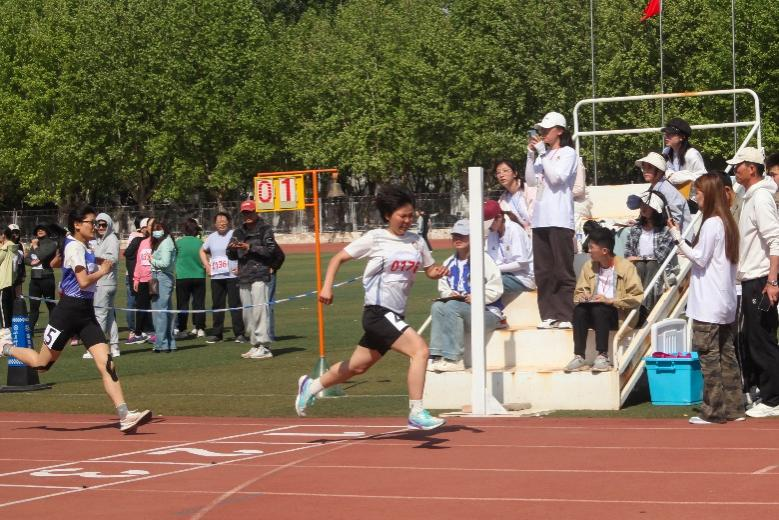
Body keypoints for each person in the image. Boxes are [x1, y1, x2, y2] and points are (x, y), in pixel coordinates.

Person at [295, 185, 448, 430]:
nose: (407, 221)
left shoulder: (417, 241)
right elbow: (338, 258)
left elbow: (429, 270)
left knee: (358, 366)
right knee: (420, 350)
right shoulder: (376, 238)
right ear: (388, 215)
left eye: (411, 216)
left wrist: (437, 272)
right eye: (402, 216)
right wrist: (327, 287)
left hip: (395, 315)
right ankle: (417, 412)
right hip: (377, 312)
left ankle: (311, 386)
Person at [0, 206, 151, 433]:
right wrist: (103, 269)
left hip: (86, 314)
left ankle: (125, 415)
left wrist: (95, 259)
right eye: (91, 222)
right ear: (77, 225)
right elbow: (83, 282)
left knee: (107, 363)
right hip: (68, 312)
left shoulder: (81, 246)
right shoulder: (74, 247)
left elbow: (55, 264)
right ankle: (6, 348)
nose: (95, 226)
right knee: (42, 364)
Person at [668, 173, 744, 424]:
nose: (695, 196)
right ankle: (734, 408)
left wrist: (677, 236)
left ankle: (713, 411)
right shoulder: (727, 221)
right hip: (725, 301)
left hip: (709, 303)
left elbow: (699, 258)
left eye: (698, 192)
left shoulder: (712, 223)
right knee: (727, 355)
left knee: (709, 356)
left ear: (709, 194)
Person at [729, 147, 779, 418]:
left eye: (739, 165)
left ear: (752, 168)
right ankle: (767, 393)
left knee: (761, 338)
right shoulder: (750, 196)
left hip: (761, 281)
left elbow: (775, 239)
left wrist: (772, 281)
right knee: (755, 336)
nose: (735, 170)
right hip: (754, 280)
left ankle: (773, 399)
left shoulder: (760, 198)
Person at [428, 219, 504, 372]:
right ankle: (435, 355)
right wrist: (450, 294)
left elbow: (496, 288)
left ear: (472, 237)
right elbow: (443, 288)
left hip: (489, 313)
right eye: (455, 236)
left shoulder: (484, 259)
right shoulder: (448, 262)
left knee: (452, 306)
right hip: (463, 311)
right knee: (437, 306)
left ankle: (454, 359)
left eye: (463, 236)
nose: (458, 239)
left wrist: (478, 298)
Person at [564, 227, 643, 373]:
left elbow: (637, 297)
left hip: (619, 314)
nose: (588, 251)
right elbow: (579, 292)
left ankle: (603, 355)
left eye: (591, 247)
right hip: (594, 312)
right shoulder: (588, 266)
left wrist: (611, 300)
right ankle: (579, 356)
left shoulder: (626, 267)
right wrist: (583, 296)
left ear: (604, 251)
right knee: (580, 310)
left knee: (600, 308)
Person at [525, 111, 577, 329]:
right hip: (540, 219)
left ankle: (566, 315)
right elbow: (530, 181)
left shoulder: (568, 153)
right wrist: (530, 156)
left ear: (560, 131)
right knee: (543, 270)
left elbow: (556, 179)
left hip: (560, 218)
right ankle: (548, 314)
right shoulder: (541, 155)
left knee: (562, 269)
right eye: (541, 130)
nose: (543, 133)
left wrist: (542, 153)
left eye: (547, 129)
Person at [227, 200, 278, 359]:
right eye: (245, 213)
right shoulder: (238, 231)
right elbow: (230, 255)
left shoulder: (265, 229)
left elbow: (271, 251)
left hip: (260, 274)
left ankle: (265, 346)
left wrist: (250, 247)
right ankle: (255, 344)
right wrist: (232, 249)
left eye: (250, 212)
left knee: (260, 311)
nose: (247, 215)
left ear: (256, 212)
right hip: (244, 275)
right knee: (247, 313)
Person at [623, 191, 676, 320]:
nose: (643, 207)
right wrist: (638, 259)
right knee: (641, 265)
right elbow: (628, 253)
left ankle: (643, 309)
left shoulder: (665, 230)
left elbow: (660, 256)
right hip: (639, 267)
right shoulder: (636, 228)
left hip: (660, 268)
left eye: (647, 205)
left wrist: (639, 258)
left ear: (656, 208)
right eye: (641, 205)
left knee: (651, 264)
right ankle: (638, 307)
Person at [200, 212, 247, 344]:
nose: (221, 223)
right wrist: (207, 266)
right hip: (216, 277)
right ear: (215, 224)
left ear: (229, 222)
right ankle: (217, 334)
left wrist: (241, 267)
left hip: (232, 276)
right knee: (217, 305)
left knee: (235, 304)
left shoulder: (235, 235)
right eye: (219, 221)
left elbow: (243, 251)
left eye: (224, 221)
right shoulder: (211, 237)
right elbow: (202, 251)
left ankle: (239, 334)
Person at [85, 213, 121, 359]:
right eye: (98, 224)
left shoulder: (111, 239)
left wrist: (93, 258)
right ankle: (115, 347)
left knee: (99, 315)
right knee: (110, 316)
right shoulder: (101, 240)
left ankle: (97, 349)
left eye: (103, 225)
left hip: (105, 282)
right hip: (104, 282)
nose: (100, 227)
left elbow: (112, 259)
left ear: (109, 225)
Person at [483, 199, 535, 300]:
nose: (488, 228)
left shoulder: (515, 230)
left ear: (499, 217)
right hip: (503, 275)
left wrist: (494, 269)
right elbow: (492, 259)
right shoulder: (492, 232)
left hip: (523, 278)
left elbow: (521, 263)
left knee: (487, 285)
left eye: (490, 224)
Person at [634, 152, 692, 231]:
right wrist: (637, 222)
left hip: (678, 235)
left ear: (659, 171)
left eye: (650, 167)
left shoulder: (667, 190)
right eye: (644, 167)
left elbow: (675, 222)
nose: (645, 171)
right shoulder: (653, 188)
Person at [174, 218, 206, 340]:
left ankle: (182, 329)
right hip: (199, 276)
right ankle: (200, 328)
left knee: (182, 304)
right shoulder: (200, 242)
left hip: (183, 277)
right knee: (199, 303)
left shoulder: (179, 243)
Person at [149, 219, 177, 352]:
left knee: (160, 312)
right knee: (165, 311)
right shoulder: (163, 242)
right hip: (159, 277)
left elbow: (165, 263)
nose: (156, 231)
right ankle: (169, 343)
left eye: (158, 228)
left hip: (162, 277)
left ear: (164, 229)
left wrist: (152, 260)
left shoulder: (166, 243)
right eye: (154, 229)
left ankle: (161, 344)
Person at [25, 224, 58, 333]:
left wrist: (35, 246)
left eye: (42, 229)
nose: (39, 231)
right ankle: (30, 331)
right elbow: (26, 259)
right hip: (34, 279)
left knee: (50, 305)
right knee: (33, 307)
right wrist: (32, 262)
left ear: (47, 231)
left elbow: (41, 255)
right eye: (38, 229)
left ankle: (52, 330)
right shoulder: (35, 244)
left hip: (46, 278)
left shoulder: (51, 244)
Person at [661, 117, 707, 191]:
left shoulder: (692, 154)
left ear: (682, 137)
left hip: (691, 195)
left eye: (670, 134)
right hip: (672, 193)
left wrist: (677, 177)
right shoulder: (666, 152)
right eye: (666, 133)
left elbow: (702, 178)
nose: (666, 136)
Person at [124, 217, 150, 344]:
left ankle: (140, 330)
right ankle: (136, 330)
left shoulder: (136, 237)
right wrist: (135, 275)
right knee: (137, 303)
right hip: (137, 276)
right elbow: (129, 255)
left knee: (139, 303)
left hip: (137, 275)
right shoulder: (138, 239)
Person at [495, 159, 532, 231]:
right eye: (498, 172)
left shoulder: (529, 189)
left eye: (505, 170)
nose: (501, 175)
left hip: (538, 232)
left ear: (515, 173)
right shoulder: (502, 200)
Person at [0, 229, 18, 340]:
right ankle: (9, 330)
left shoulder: (5, 248)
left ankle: (5, 332)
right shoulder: (14, 247)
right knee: (8, 308)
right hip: (11, 282)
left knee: (3, 309)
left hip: (3, 282)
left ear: (3, 235)